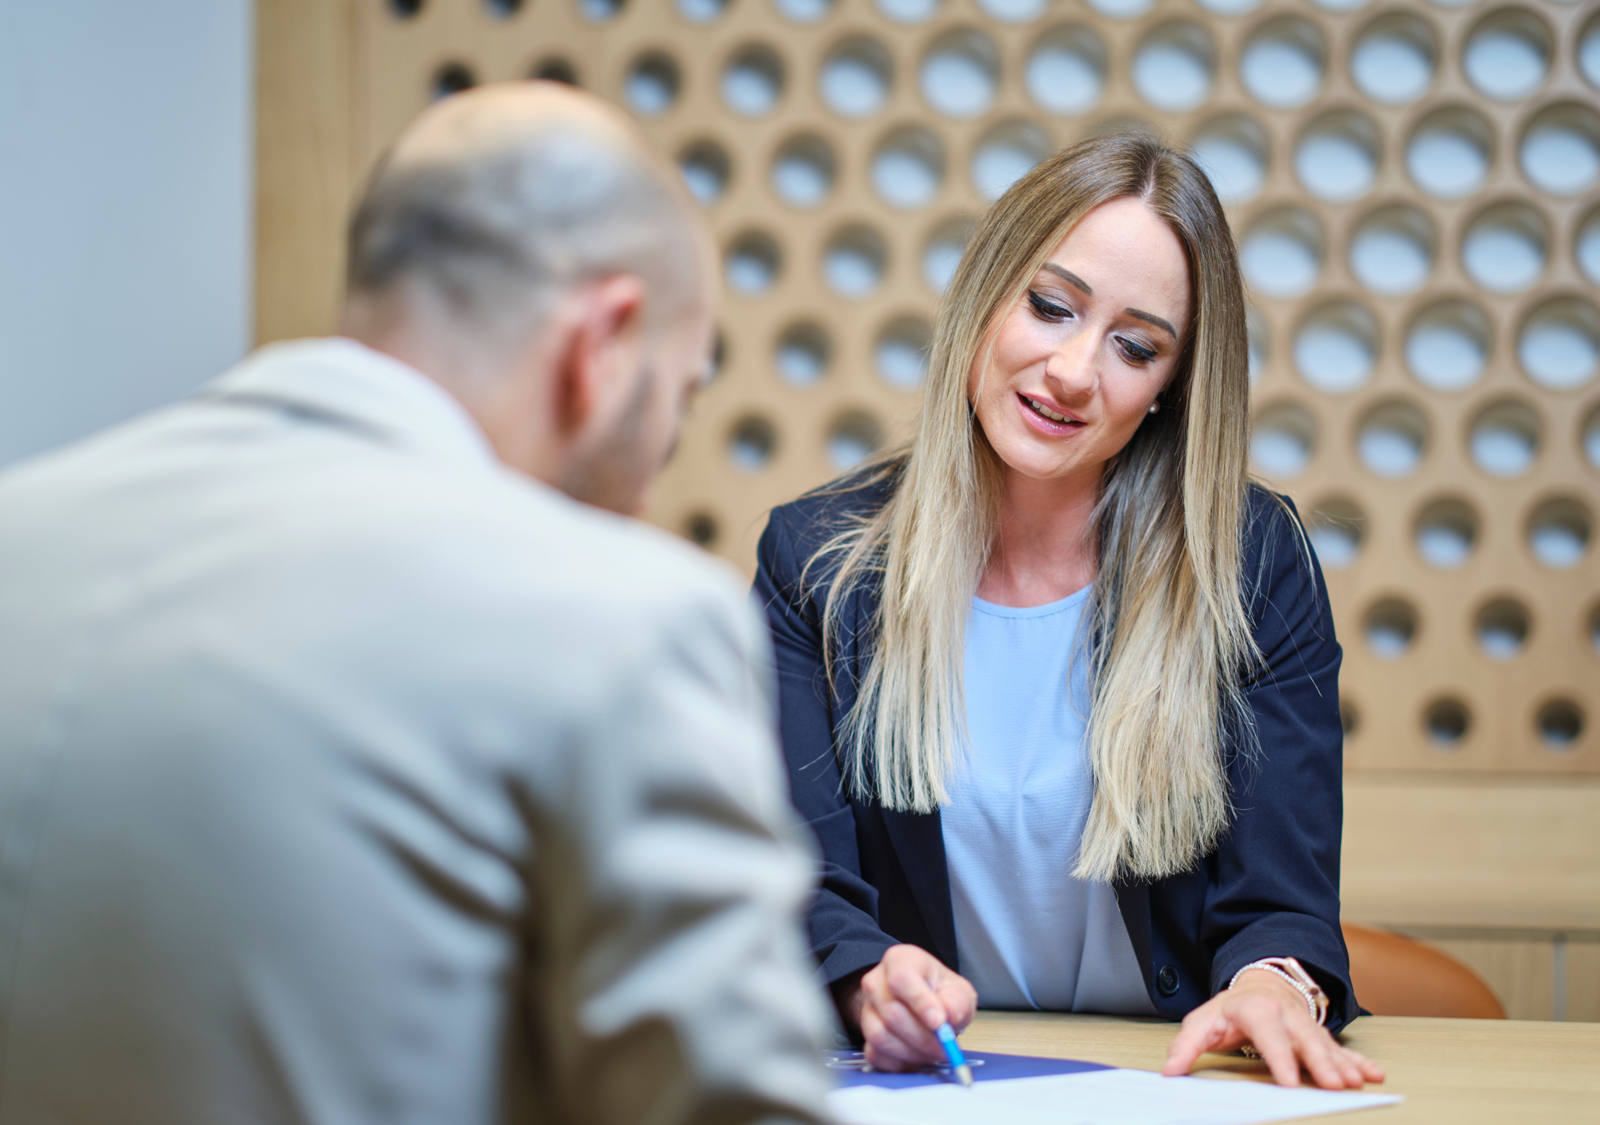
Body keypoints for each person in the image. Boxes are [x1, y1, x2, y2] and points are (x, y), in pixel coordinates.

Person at [0, 83, 836, 1124]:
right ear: (601, 345)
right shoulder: (622, 618)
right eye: (677, 399)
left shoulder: (19, 531)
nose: (653, 482)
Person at [754, 132, 1386, 1092]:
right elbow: (801, 882)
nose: (1074, 371)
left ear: (1171, 389)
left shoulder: (1250, 560)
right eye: (1050, 307)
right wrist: (866, 979)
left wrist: (1276, 982)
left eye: (1136, 346)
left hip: (1176, 1083)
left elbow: (1282, 904)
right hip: (932, 1087)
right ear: (983, 297)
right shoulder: (818, 564)